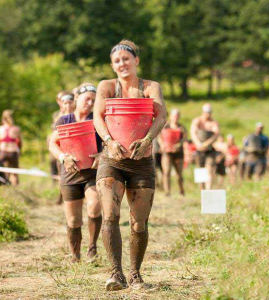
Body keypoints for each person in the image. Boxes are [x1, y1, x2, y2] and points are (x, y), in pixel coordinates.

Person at [93, 40, 167, 290]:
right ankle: (116, 273)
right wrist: (109, 141)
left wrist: (147, 139)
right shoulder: (106, 86)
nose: (122, 64)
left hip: (141, 162)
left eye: (126, 59)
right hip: (111, 160)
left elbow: (161, 116)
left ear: (136, 60)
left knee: (138, 222)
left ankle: (135, 274)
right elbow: (97, 117)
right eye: (116, 61)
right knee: (111, 214)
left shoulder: (150, 87)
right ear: (112, 65)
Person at [49, 83, 102, 263]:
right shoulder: (64, 120)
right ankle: (75, 255)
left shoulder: (97, 119)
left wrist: (102, 155)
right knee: (73, 220)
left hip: (92, 173)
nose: (89, 103)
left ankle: (92, 248)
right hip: (70, 175)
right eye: (87, 99)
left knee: (94, 205)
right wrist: (63, 157)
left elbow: (110, 142)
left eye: (93, 101)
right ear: (77, 98)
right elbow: (52, 144)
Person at [190, 103, 220, 190]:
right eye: (206, 112)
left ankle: (208, 189)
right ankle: (202, 190)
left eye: (209, 113)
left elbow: (216, 134)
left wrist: (207, 143)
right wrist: (198, 143)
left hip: (209, 149)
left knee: (210, 168)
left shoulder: (213, 123)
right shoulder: (197, 121)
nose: (208, 115)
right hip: (199, 149)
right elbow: (193, 132)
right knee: (200, 171)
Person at [49, 91, 75, 185]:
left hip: (74, 147)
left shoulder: (77, 114)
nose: (67, 105)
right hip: (60, 146)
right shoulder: (57, 116)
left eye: (69, 102)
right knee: (61, 171)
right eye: (64, 102)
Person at [159, 108, 186, 196]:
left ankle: (181, 189)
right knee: (166, 172)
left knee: (179, 173)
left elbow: (184, 138)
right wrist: (162, 144)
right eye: (174, 115)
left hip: (178, 152)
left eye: (177, 115)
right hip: (167, 152)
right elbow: (159, 137)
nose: (175, 117)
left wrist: (179, 144)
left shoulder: (181, 127)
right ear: (171, 116)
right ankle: (167, 192)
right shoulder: (165, 126)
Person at [0, 110, 21, 186]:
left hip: (3, 151)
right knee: (15, 171)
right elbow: (19, 142)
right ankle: (15, 186)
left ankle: (5, 185)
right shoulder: (16, 128)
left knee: (4, 170)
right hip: (13, 151)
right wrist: (19, 150)